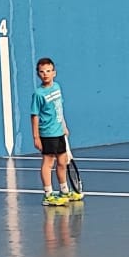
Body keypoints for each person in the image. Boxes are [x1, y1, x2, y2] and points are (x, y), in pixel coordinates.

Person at [30, 57, 81, 206]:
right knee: (48, 162)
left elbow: (59, 108)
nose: (45, 74)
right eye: (42, 72)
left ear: (54, 73)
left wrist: (64, 125)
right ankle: (48, 195)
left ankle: (64, 191)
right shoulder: (38, 94)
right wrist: (36, 137)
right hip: (47, 133)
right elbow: (34, 116)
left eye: (48, 71)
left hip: (59, 132)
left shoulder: (57, 87)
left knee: (62, 162)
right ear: (38, 74)